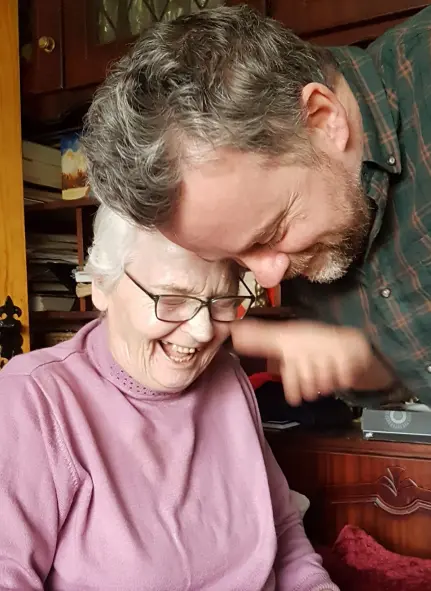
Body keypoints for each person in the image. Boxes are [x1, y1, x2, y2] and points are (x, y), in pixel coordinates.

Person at [82, 5, 431, 406]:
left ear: (321, 118)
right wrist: (362, 365)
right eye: (237, 261)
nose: (269, 277)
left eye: (273, 232)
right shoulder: (290, 213)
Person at [0, 204, 338, 591]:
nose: (201, 331)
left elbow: (281, 531)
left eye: (221, 301)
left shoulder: (227, 376)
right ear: (101, 286)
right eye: (172, 299)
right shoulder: (34, 397)